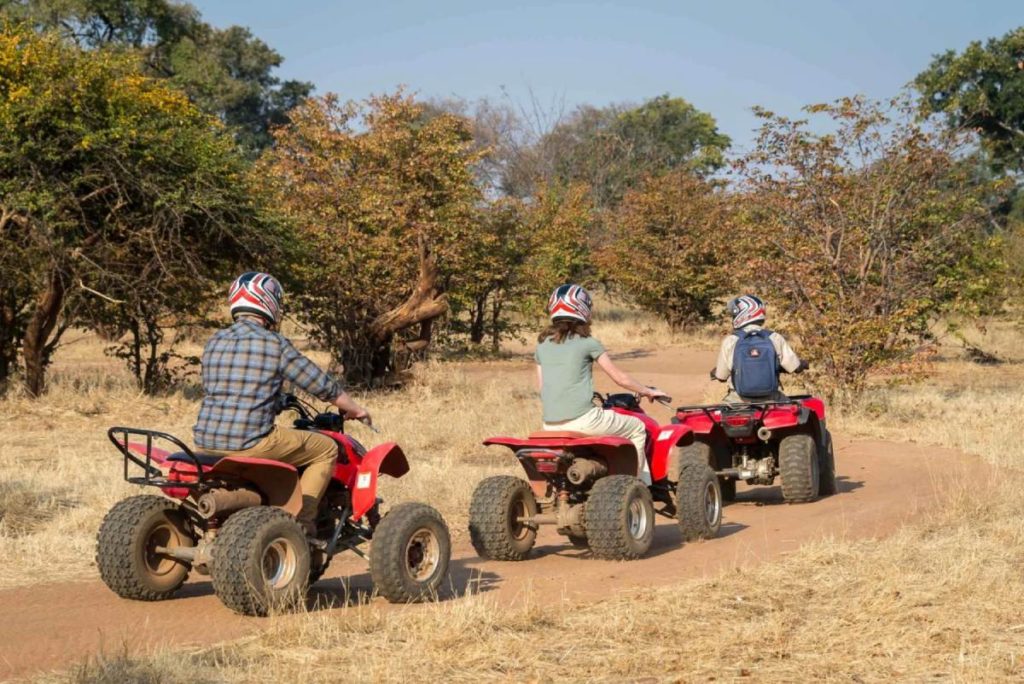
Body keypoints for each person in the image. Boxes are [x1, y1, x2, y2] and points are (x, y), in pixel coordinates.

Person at [192, 272, 371, 534]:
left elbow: (224, 389)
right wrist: (355, 409)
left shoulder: (215, 341)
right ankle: (303, 523)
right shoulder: (274, 343)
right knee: (326, 449)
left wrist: (275, 402)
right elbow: (320, 385)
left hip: (205, 442)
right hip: (250, 441)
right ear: (269, 303)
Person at [535, 284, 668, 486]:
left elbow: (542, 387)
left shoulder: (541, 346)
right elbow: (619, 378)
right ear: (583, 309)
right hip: (584, 419)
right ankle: (639, 486)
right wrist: (647, 391)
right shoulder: (588, 342)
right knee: (638, 428)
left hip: (549, 424)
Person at [711, 294, 807, 403]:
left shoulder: (730, 341)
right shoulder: (774, 337)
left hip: (738, 400)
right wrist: (803, 364)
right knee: (796, 413)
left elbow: (721, 377)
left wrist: (717, 373)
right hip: (772, 399)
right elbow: (794, 367)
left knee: (721, 416)